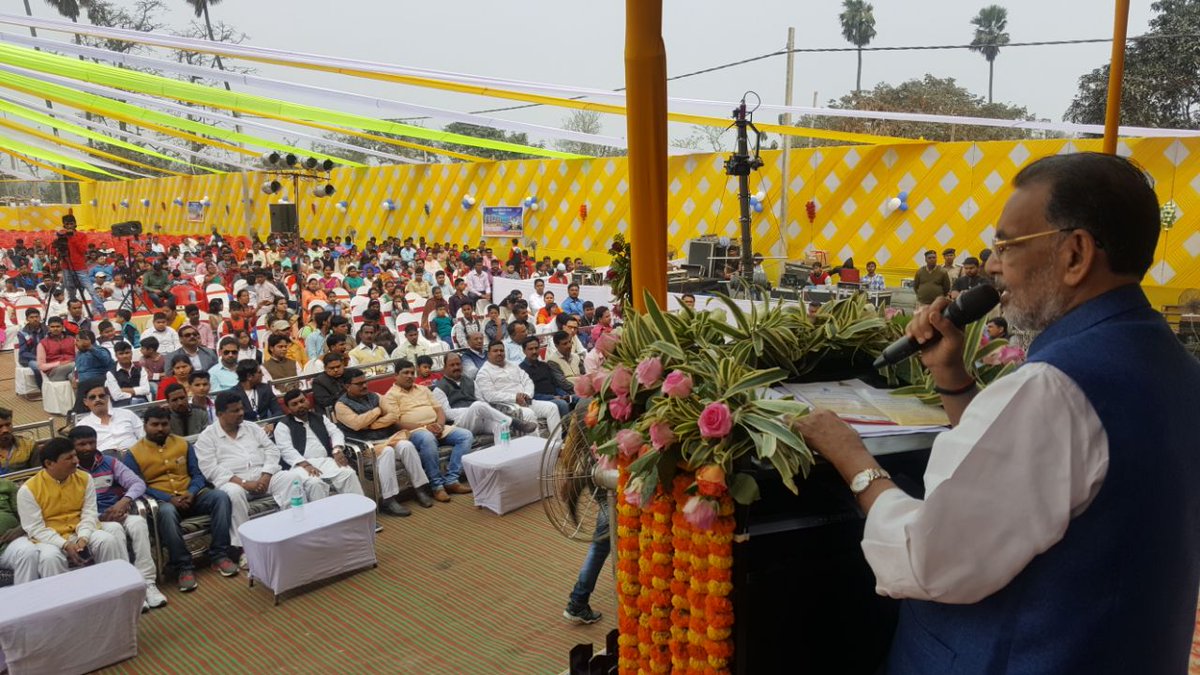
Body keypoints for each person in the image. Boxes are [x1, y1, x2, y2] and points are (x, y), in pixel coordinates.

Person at [791, 152, 1200, 673]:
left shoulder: (1054, 388)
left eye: (1006, 245)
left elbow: (925, 559)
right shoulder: (1174, 366)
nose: (990, 265)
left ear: (1075, 253)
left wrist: (852, 457)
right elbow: (1024, 485)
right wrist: (951, 377)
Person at [195, 392, 329, 568]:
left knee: (291, 478)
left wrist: (266, 475)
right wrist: (244, 483)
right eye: (235, 411)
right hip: (234, 482)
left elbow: (272, 451)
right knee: (233, 493)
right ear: (220, 414)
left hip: (263, 476)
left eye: (241, 409)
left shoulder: (252, 427)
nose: (241, 413)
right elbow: (210, 469)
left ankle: (297, 535)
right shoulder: (207, 437)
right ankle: (244, 549)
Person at [124, 406, 238, 591]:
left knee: (220, 497)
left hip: (191, 496)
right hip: (162, 502)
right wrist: (168, 498)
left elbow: (197, 474)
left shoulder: (182, 444)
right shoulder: (133, 453)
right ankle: (183, 566)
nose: (160, 428)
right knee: (167, 513)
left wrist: (191, 492)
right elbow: (138, 486)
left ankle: (219, 555)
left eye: (164, 424)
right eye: (155, 425)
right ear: (145, 426)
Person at [276, 389, 423, 517]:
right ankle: (325, 522)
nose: (300, 405)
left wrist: (337, 450)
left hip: (325, 460)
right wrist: (305, 464)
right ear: (288, 409)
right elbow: (286, 449)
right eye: (294, 404)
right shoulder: (283, 425)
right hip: (301, 466)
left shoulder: (319, 417)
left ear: (307, 401)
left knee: (348, 474)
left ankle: (361, 515)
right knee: (315, 483)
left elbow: (336, 433)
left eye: (302, 401)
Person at [68, 426, 167, 610]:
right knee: (115, 531)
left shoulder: (109, 462)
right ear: (72, 447)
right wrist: (101, 517)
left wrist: (124, 501)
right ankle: (130, 587)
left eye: (92, 442)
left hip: (116, 512)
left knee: (138, 523)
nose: (88, 448)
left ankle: (148, 583)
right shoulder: (70, 470)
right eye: (82, 444)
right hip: (91, 520)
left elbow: (137, 483)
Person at [17, 438, 128, 581]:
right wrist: (64, 544)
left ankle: (116, 584)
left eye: (75, 455)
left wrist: (83, 537)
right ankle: (61, 595)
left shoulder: (84, 478)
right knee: (50, 557)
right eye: (69, 458)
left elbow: (89, 513)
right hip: (49, 538)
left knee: (106, 540)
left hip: (80, 530)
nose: (76, 461)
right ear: (49, 464)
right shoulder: (28, 490)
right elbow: (35, 528)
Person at [332, 368, 438, 510]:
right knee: (387, 451)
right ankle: (389, 499)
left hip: (388, 438)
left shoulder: (375, 396)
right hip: (366, 447)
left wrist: (371, 425)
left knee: (406, 445)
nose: (364, 386)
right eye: (359, 384)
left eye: (365, 382)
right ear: (347, 386)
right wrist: (378, 411)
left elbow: (394, 415)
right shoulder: (341, 405)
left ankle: (420, 489)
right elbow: (357, 424)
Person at [380, 361, 475, 502]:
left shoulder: (423, 389)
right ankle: (437, 486)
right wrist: (426, 427)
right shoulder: (390, 396)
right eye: (405, 373)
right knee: (427, 438)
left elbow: (439, 410)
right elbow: (396, 423)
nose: (409, 376)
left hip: (436, 427)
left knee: (465, 435)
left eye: (412, 373)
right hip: (414, 432)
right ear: (396, 376)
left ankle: (451, 480)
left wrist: (440, 425)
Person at [433, 352, 536, 436]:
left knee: (501, 427)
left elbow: (482, 401)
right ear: (444, 368)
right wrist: (470, 410)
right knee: (477, 405)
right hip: (460, 423)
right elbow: (446, 414)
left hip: (479, 418)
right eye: (452, 365)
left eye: (458, 364)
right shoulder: (439, 388)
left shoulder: (470, 382)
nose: (456, 367)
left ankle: (503, 454)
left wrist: (476, 410)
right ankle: (515, 423)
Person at [475, 340, 561, 436]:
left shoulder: (513, 366)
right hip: (506, 406)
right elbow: (490, 396)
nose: (499, 353)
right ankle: (537, 444)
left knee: (552, 407)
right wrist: (515, 397)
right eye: (495, 351)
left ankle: (556, 442)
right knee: (528, 413)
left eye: (501, 350)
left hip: (525, 401)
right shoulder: (484, 372)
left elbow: (527, 381)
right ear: (488, 354)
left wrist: (526, 395)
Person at [563, 494, 609, 625]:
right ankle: (578, 601)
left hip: (608, 500)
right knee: (599, 550)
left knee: (599, 549)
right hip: (616, 502)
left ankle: (578, 601)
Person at [75, 381, 145, 455]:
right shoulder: (82, 426)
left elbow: (144, 436)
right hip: (105, 460)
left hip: (135, 455)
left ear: (108, 398)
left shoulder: (127, 414)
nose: (98, 399)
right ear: (86, 402)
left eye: (101, 396)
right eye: (93, 397)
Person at [57, 214, 106, 317]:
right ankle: (74, 314)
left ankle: (103, 313)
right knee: (71, 292)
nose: (69, 226)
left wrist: (73, 237)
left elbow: (82, 250)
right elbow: (57, 250)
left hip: (80, 268)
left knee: (91, 290)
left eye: (71, 224)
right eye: (67, 224)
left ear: (75, 224)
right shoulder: (61, 236)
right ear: (64, 225)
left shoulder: (81, 235)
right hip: (66, 267)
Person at [0, 474, 39, 584]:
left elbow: (26, 516)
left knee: (27, 552)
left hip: (7, 544)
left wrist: (20, 529)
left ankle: (27, 594)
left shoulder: (6, 485)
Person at [520, 336, 572, 419]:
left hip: (556, 396)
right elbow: (530, 395)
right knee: (562, 404)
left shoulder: (544, 365)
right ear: (524, 351)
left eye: (536, 348)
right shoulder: (521, 370)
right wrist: (552, 397)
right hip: (539, 401)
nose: (534, 351)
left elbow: (555, 386)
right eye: (530, 349)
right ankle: (567, 427)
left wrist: (564, 395)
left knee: (579, 398)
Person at [105, 341, 150, 407]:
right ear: (116, 356)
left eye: (127, 353)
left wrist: (124, 390)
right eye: (121, 354)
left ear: (131, 353)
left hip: (142, 402)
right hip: (122, 405)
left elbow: (146, 390)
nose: (125, 356)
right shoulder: (111, 373)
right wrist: (136, 393)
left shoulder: (140, 369)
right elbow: (116, 396)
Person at [36, 315, 75, 382]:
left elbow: (79, 355)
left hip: (73, 368)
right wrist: (59, 363)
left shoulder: (72, 340)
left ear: (62, 327)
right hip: (54, 372)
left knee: (74, 374)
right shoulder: (43, 343)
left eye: (58, 326)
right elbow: (41, 366)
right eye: (52, 327)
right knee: (74, 366)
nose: (55, 329)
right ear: (48, 328)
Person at [0, 408, 36, 474]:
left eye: (8, 425)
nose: (5, 430)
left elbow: (39, 474)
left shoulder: (29, 446)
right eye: (0, 426)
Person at [16, 307, 45, 388]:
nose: (35, 319)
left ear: (40, 317)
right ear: (27, 319)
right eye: (31, 317)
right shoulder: (23, 333)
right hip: (30, 359)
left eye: (36, 317)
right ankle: (42, 389)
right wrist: (38, 358)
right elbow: (23, 352)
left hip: (47, 356)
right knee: (38, 367)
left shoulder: (47, 329)